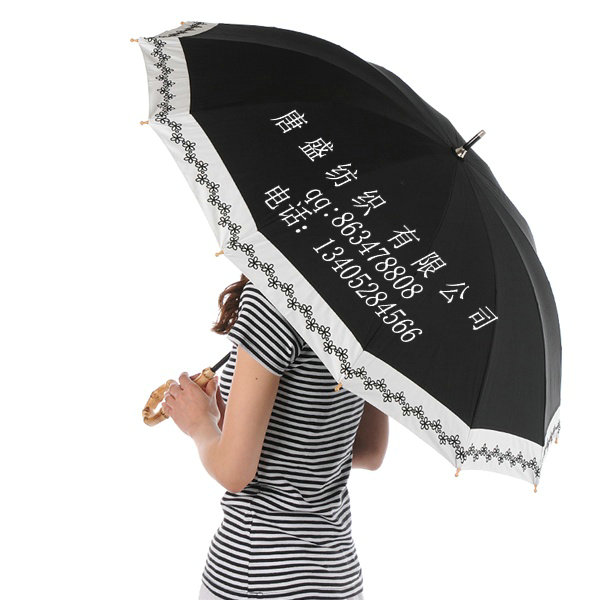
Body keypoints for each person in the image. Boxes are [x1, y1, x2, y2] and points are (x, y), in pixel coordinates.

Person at [161, 273, 389, 600]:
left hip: (257, 574)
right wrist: (227, 420)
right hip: (337, 576)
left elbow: (234, 473)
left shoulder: (273, 295)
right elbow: (369, 449)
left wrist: (200, 424)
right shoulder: (366, 306)